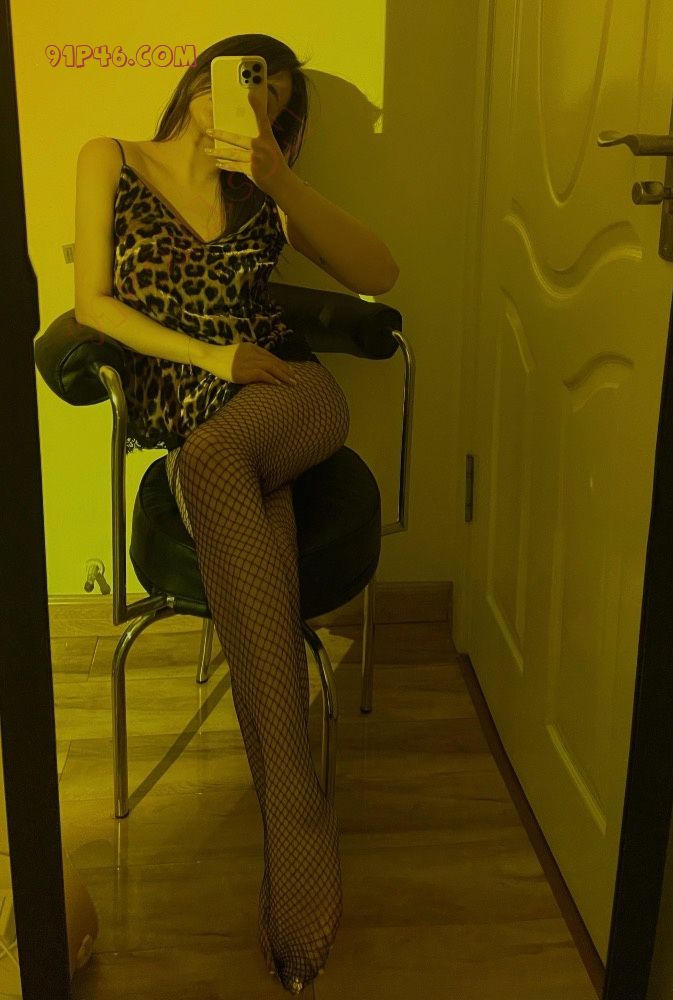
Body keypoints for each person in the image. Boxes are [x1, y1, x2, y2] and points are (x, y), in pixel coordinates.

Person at [73, 33, 399, 994]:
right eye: (246, 81)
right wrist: (215, 360)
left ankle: (291, 820)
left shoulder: (263, 189)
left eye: (273, 101)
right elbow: (92, 307)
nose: (253, 104)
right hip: (200, 415)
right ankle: (297, 825)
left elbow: (380, 271)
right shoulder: (111, 158)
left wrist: (278, 176)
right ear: (199, 79)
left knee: (220, 458)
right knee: (225, 470)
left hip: (294, 398)